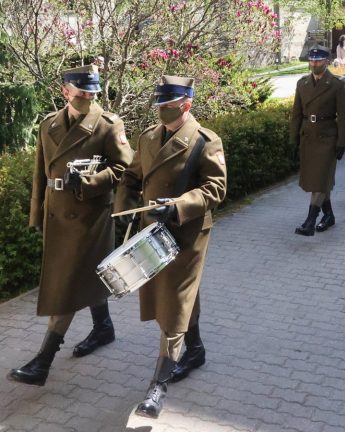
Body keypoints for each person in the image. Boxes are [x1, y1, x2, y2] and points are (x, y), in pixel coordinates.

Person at [8, 65, 133, 387]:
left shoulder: (107, 125)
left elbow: (124, 167)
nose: (88, 99)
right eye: (82, 93)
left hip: (90, 216)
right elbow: (40, 173)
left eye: (92, 94)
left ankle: (43, 361)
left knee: (67, 284)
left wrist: (90, 182)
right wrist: (37, 214)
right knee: (87, 275)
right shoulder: (48, 124)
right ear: (65, 91)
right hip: (57, 214)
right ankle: (103, 328)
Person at [114, 75, 227, 418]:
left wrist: (178, 206)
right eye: (159, 104)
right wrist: (123, 208)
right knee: (179, 295)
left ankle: (157, 387)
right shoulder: (148, 137)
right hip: (152, 231)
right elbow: (131, 177)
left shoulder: (205, 141)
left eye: (168, 104)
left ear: (186, 104)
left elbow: (215, 189)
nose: (161, 109)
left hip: (187, 234)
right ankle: (196, 350)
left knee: (174, 303)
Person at [289, 46, 345, 235]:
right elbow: (296, 114)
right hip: (308, 136)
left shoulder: (337, 84)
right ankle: (329, 215)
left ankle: (310, 222)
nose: (314, 63)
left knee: (321, 179)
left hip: (327, 137)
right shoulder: (302, 83)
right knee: (317, 180)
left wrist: (343, 142)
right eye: (312, 60)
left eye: (318, 60)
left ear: (327, 61)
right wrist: (293, 139)